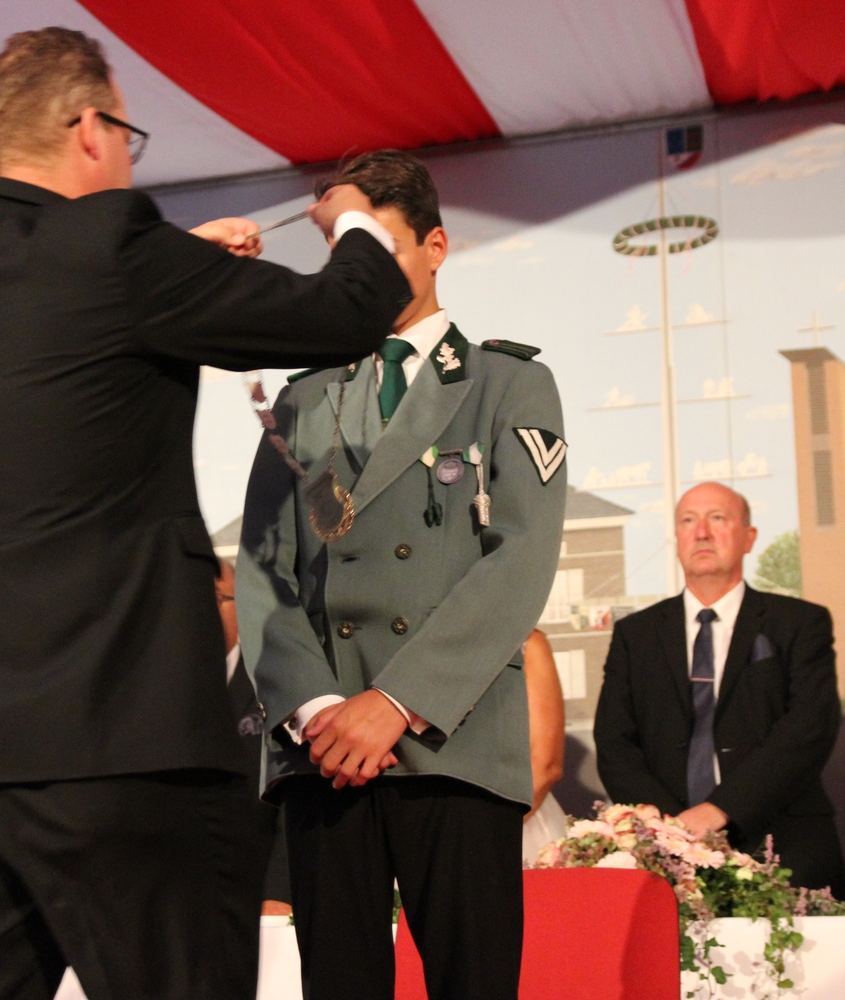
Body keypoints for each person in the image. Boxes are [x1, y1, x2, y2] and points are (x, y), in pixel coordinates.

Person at [0, 27, 410, 1000]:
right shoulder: (117, 251)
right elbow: (344, 313)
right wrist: (357, 222)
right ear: (91, 129)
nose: (130, 158)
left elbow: (70, 332)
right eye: (129, 136)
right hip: (124, 743)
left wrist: (180, 262)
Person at [238, 150, 567, 1000]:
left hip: (451, 742)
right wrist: (319, 710)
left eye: (378, 242)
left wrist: (393, 703)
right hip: (326, 753)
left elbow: (520, 561)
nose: (359, 264)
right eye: (343, 245)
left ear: (435, 246)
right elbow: (265, 571)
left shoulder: (507, 384)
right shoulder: (303, 399)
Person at [594, 482, 845, 899]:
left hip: (782, 838)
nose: (702, 532)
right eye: (688, 521)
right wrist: (673, 827)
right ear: (677, 539)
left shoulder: (799, 623)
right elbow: (614, 741)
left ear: (749, 537)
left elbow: (809, 727)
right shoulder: (636, 634)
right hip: (664, 849)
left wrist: (719, 810)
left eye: (717, 518)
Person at [218, 560, 293, 916]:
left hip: (258, 898)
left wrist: (278, 892)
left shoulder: (271, 685)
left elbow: (291, 798)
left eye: (216, 597)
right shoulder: (149, 693)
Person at [520, 629, 568, 863]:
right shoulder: (410, 643)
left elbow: (546, 766)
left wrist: (481, 834)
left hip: (517, 827)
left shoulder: (526, 643)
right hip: (423, 828)